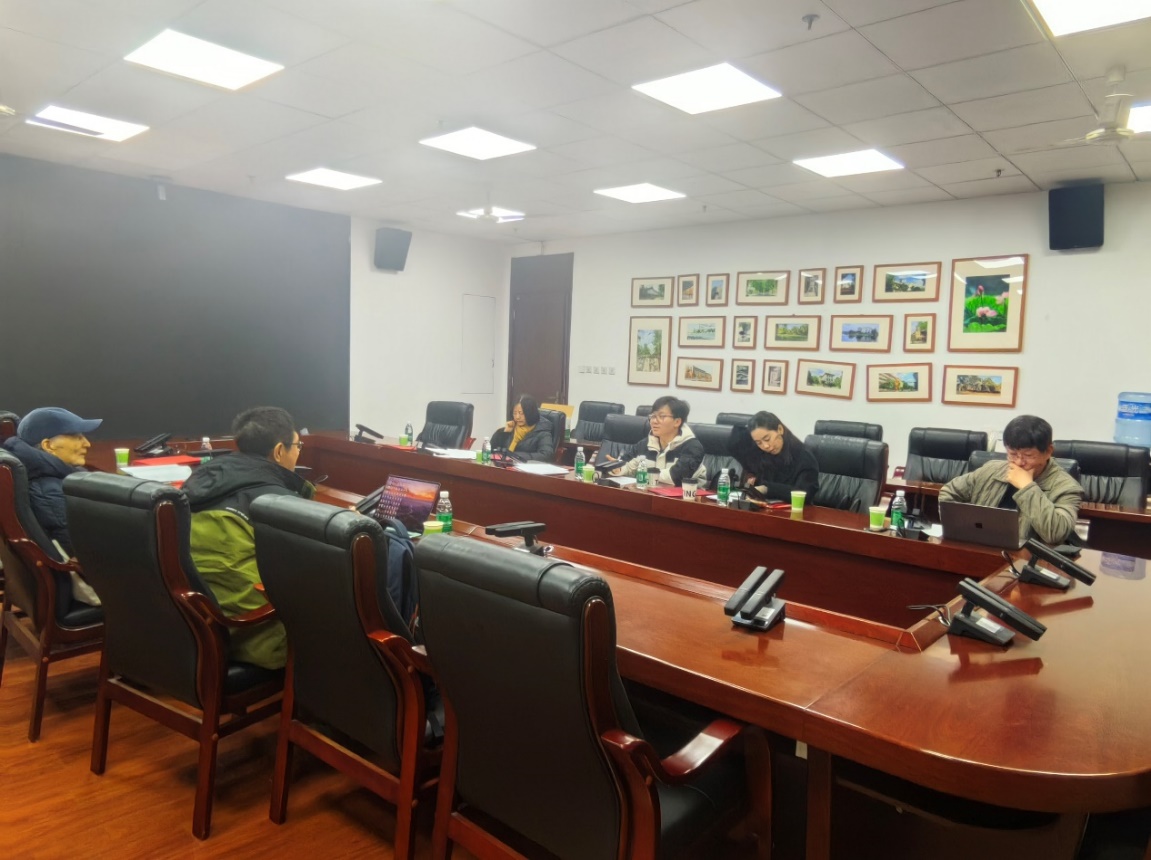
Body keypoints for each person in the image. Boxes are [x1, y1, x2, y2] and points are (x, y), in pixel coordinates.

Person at [182, 406, 314, 670]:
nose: (299, 452)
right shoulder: (277, 503)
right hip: (260, 640)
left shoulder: (197, 483)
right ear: (279, 451)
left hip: (193, 628)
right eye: (298, 446)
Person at [939, 414, 1082, 545]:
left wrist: (1027, 487)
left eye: (1028, 455)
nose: (1019, 462)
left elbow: (1055, 533)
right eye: (1012, 454)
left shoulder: (1067, 487)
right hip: (980, 549)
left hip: (1027, 559)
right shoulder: (991, 469)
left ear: (1048, 451)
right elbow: (949, 492)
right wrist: (963, 528)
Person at [2, 407, 102, 558]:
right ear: (48, 445)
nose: (87, 443)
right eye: (76, 436)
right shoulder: (49, 492)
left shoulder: (53, 479)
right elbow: (79, 551)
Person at [612, 395, 705, 487]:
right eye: (653, 416)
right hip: (648, 493)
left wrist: (642, 473)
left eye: (661, 416)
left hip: (686, 496)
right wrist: (617, 468)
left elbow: (676, 477)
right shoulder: (645, 444)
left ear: (677, 422)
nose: (654, 421)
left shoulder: (692, 447)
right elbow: (625, 463)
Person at [730, 411, 819, 501]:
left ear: (780, 429)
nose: (765, 446)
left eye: (767, 439)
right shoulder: (761, 453)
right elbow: (736, 440)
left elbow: (805, 494)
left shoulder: (803, 456)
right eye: (759, 442)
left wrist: (767, 489)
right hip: (765, 505)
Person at [490, 395, 555, 462]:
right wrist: (504, 433)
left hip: (527, 467)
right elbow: (492, 451)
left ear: (530, 413)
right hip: (506, 465)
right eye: (514, 413)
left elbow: (546, 455)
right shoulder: (511, 428)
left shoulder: (542, 432)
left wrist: (516, 456)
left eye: (521, 413)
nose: (517, 417)